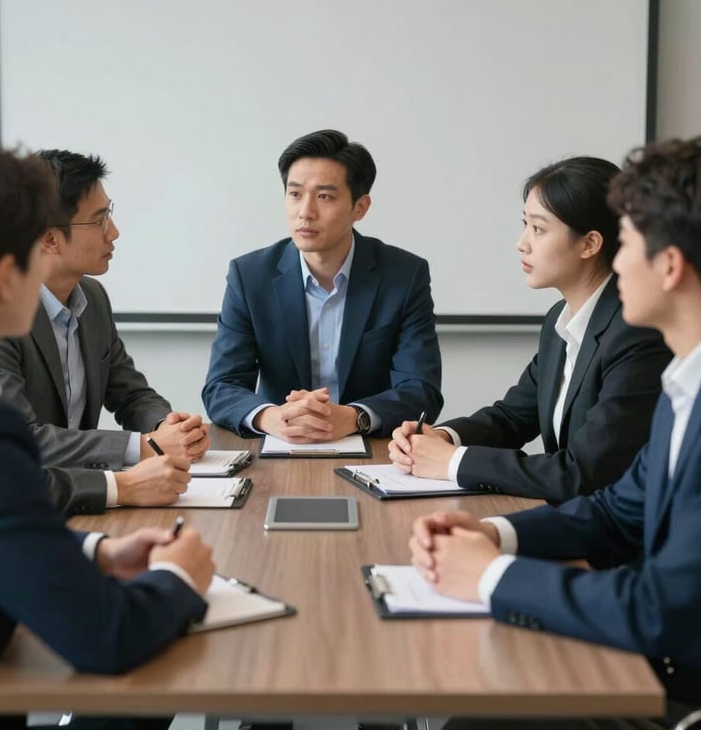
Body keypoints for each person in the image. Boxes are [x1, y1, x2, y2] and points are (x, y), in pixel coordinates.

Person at [409, 135, 701, 724]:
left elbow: (658, 609)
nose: (618, 262)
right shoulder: (684, 385)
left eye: (630, 244)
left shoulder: (659, 359)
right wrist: (494, 536)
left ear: (668, 266)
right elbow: (618, 510)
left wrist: (490, 576)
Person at [0, 140, 215, 729]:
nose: (114, 231)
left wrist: (94, 550)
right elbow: (107, 636)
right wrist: (179, 576)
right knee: (139, 698)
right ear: (11, 274)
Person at [389, 156, 670, 502]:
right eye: (524, 225)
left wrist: (452, 462)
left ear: (589, 244)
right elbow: (511, 418)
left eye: (538, 229)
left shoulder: (635, 332)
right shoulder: (560, 319)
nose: (522, 243)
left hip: (615, 538)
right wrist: (442, 438)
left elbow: (581, 473)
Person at [0, 149, 209, 515]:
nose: (114, 232)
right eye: (99, 220)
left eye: (110, 214)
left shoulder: (91, 296)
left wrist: (168, 427)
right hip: (24, 508)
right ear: (49, 239)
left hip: (82, 504)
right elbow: (23, 439)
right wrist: (145, 446)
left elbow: (132, 394)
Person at [202, 129, 443, 442]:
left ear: (360, 207)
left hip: (374, 448)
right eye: (295, 194)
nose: (305, 211)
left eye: (325, 196)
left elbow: (421, 390)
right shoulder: (250, 276)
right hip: (279, 444)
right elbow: (221, 386)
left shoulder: (404, 276)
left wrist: (353, 416)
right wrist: (271, 417)